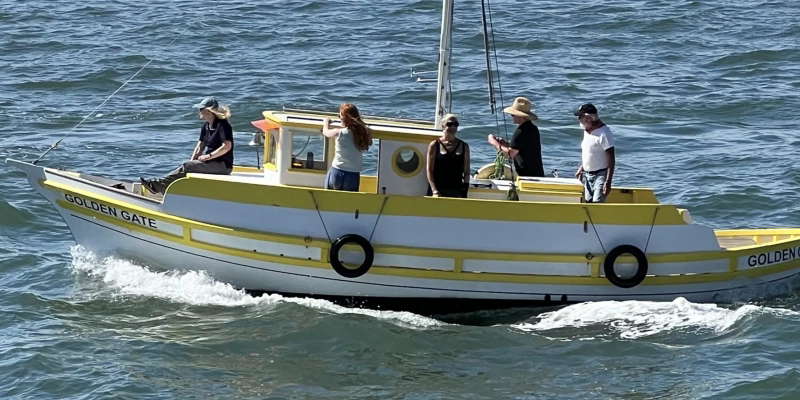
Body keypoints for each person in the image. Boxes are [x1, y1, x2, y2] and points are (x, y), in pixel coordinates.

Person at [140, 97, 235, 195]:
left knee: (186, 166)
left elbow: (227, 146)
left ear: (208, 111)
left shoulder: (223, 125)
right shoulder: (205, 127)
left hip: (222, 165)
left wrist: (207, 156)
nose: (199, 112)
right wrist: (193, 161)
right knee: (187, 165)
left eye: (200, 109)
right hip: (210, 163)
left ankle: (157, 186)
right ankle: (165, 188)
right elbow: (199, 147)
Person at [487, 96, 545, 177]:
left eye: (512, 115)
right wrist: (504, 143)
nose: (512, 117)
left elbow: (509, 155)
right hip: (537, 174)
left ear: (519, 116)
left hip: (528, 176)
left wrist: (493, 142)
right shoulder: (532, 128)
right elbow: (519, 148)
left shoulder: (520, 132)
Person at [321, 103, 372, 192]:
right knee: (349, 203)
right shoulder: (364, 133)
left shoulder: (339, 132)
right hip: (353, 174)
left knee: (330, 199)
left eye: (339, 116)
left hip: (337, 171)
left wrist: (325, 123)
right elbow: (370, 142)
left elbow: (325, 132)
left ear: (345, 118)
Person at [573, 103, 615, 203]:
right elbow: (590, 153)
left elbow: (611, 160)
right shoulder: (587, 131)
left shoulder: (604, 133)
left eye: (581, 117)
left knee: (597, 202)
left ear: (589, 118)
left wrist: (608, 182)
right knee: (588, 202)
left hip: (600, 175)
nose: (579, 119)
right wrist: (581, 168)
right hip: (588, 175)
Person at [427, 114, 470, 198]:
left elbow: (467, 172)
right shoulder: (434, 145)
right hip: (438, 191)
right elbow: (429, 170)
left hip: (456, 191)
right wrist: (434, 190)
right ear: (443, 126)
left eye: (456, 124)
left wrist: (464, 192)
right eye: (449, 124)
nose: (453, 127)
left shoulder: (464, 146)